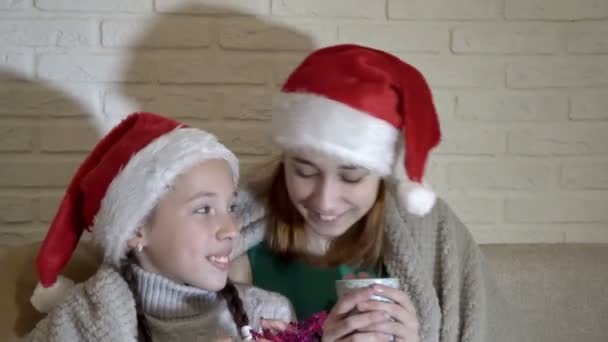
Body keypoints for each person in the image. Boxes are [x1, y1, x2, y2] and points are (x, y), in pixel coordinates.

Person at [230, 44, 518, 342]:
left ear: (381, 172)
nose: (325, 201)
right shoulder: (231, 242)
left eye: (351, 177)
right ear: (284, 161)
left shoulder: (430, 235)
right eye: (305, 171)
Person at [25, 112, 294, 341]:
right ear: (135, 229)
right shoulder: (78, 319)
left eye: (231, 207)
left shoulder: (268, 315)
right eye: (203, 209)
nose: (231, 229)